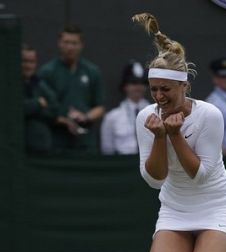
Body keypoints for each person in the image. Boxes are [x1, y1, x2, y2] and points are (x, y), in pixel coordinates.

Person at [132, 13, 226, 252]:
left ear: (184, 87)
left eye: (166, 89)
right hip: (175, 211)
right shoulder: (146, 118)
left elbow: (200, 176)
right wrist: (160, 137)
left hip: (217, 208)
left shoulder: (210, 115)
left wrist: (174, 135)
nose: (159, 96)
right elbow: (154, 180)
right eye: (154, 89)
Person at [39, 24, 105, 152]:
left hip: (86, 143)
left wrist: (85, 117)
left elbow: (100, 107)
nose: (70, 47)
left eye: (74, 43)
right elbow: (42, 108)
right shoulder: (47, 72)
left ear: (81, 45)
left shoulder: (92, 71)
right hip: (56, 143)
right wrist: (64, 121)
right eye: (66, 42)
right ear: (59, 43)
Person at [100, 60, 150, 154]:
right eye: (134, 82)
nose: (138, 86)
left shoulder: (156, 113)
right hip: (122, 165)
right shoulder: (112, 117)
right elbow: (107, 150)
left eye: (142, 82)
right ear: (125, 86)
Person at [22, 44, 58, 153]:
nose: (28, 66)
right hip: (18, 149)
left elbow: (55, 110)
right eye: (24, 61)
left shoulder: (40, 84)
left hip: (41, 148)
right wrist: (38, 103)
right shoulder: (8, 84)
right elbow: (15, 109)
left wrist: (30, 110)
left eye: (31, 62)